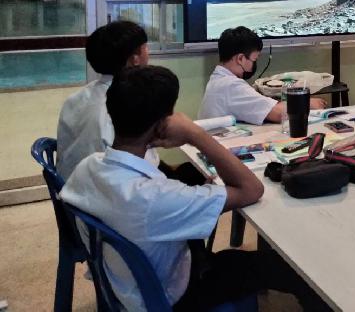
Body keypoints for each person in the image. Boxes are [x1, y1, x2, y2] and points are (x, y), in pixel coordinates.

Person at [60, 65, 268, 311]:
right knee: (265, 266)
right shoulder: (158, 198)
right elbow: (251, 189)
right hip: (169, 296)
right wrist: (195, 134)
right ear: (162, 125)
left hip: (125, 286)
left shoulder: (87, 167)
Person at [56, 20, 153, 180]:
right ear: (135, 59)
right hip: (103, 189)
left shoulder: (76, 98)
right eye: (146, 48)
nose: (149, 54)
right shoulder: (124, 107)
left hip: (71, 186)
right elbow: (144, 169)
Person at [198, 26, 325, 125]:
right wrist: (307, 103)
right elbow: (279, 114)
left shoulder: (218, 79)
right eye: (254, 59)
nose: (253, 65)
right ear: (240, 58)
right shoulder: (231, 85)